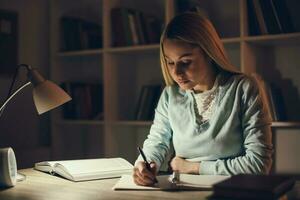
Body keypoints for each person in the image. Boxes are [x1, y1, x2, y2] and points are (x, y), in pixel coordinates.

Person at [133, 12, 273, 186]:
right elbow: (157, 141)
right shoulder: (170, 95)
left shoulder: (244, 89)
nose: (176, 73)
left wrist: (193, 167)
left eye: (186, 62)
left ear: (209, 53)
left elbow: (258, 165)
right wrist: (145, 164)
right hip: (182, 191)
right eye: (170, 62)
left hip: (234, 191)